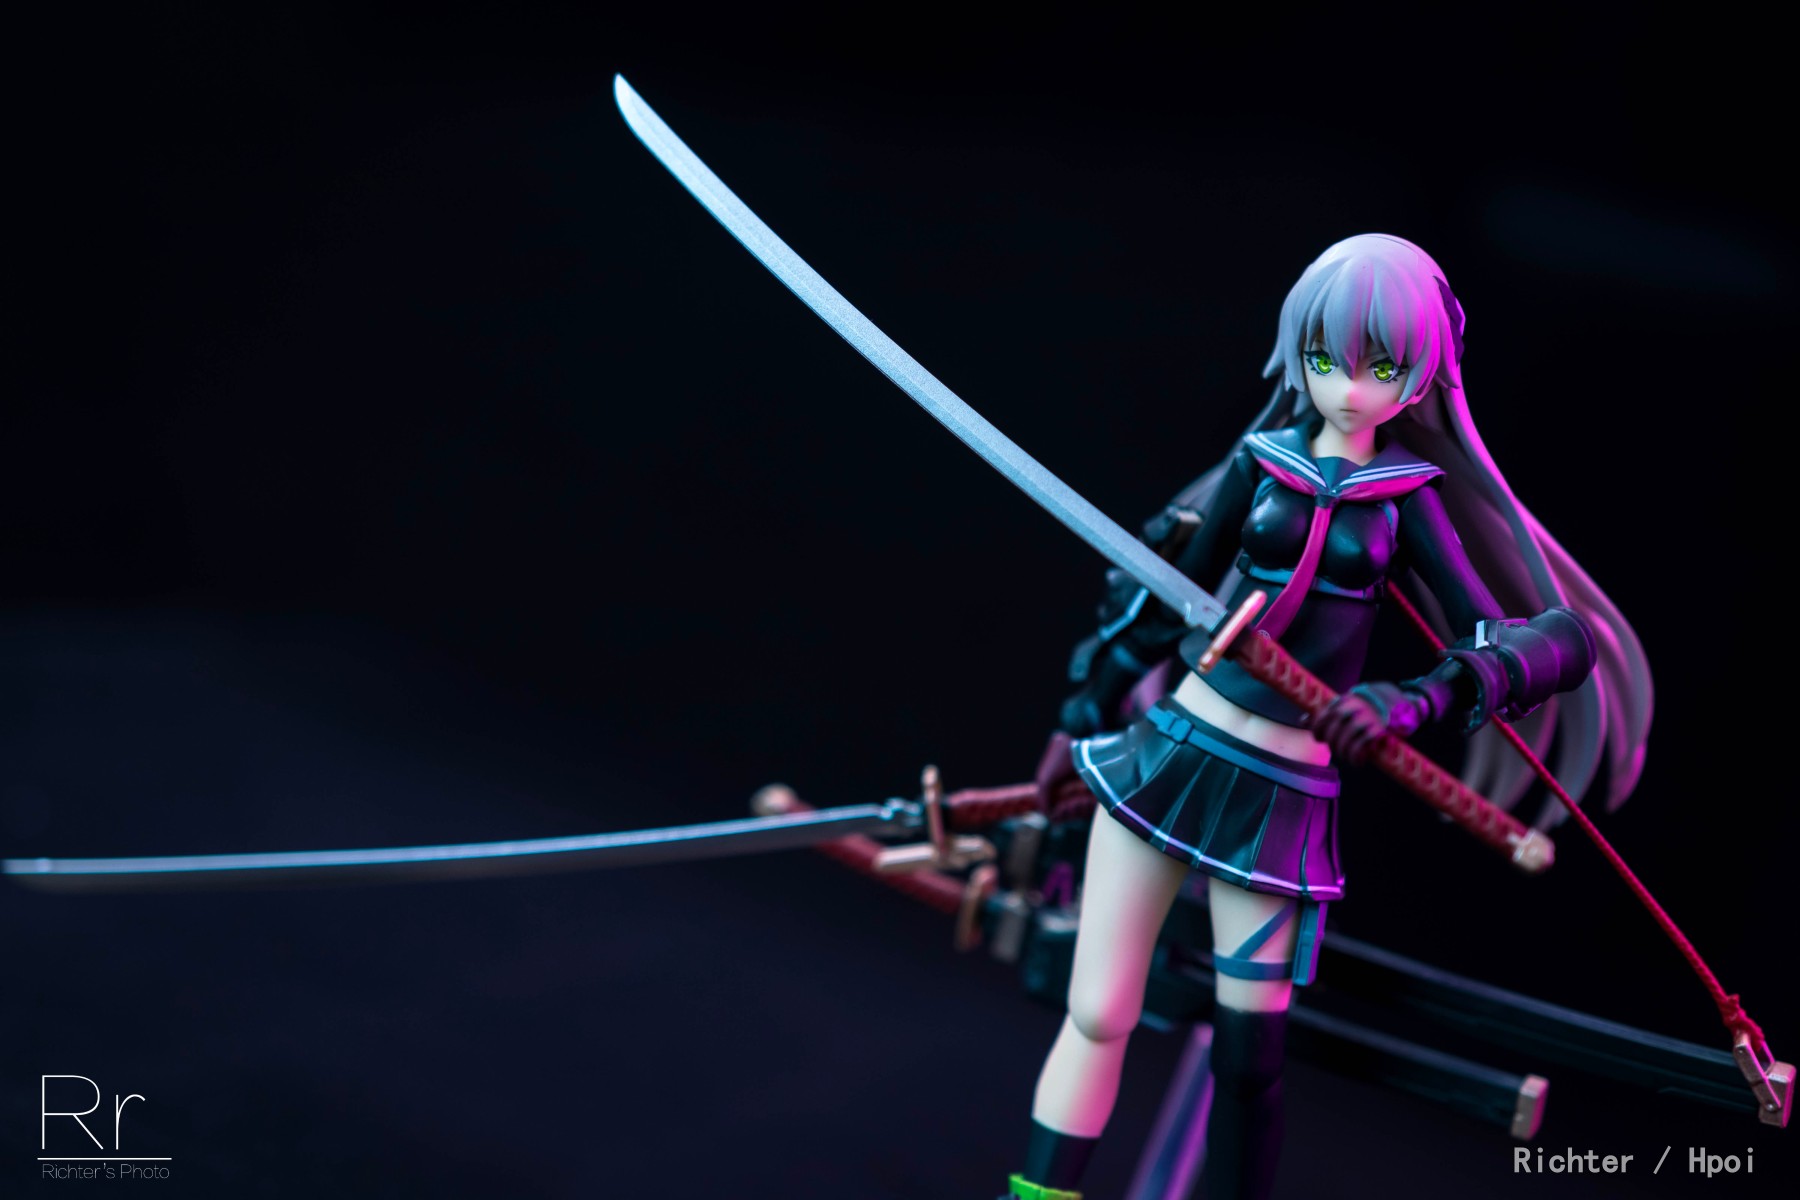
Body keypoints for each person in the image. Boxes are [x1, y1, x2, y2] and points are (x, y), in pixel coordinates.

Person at [1005, 233, 1652, 1200]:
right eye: (1326, 359)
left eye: (1379, 367)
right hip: (1174, 754)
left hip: (1280, 799)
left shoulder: (1408, 503)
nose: (1347, 388)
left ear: (1422, 373)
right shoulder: (1259, 464)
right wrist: (1080, 714)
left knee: (1248, 1057)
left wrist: (1416, 698)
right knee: (1098, 1011)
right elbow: (1164, 597)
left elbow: (1523, 640)